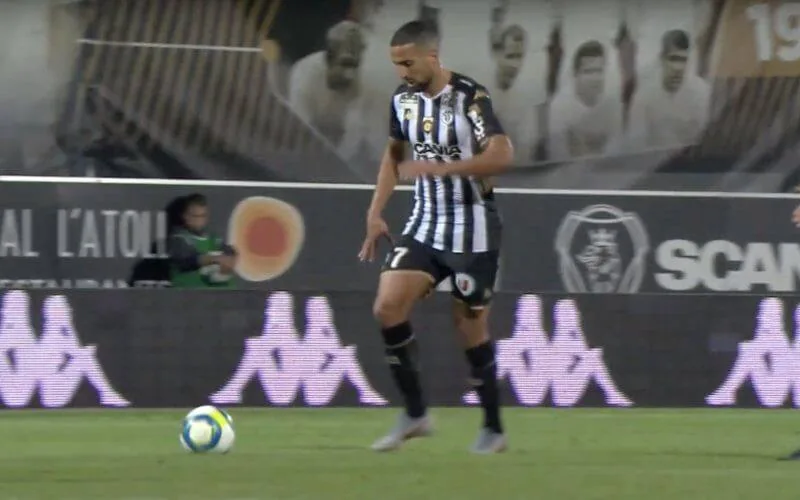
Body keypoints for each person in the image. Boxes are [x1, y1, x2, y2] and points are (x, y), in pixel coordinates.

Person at [357, 20, 514, 454]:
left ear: (432, 56)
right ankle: (415, 414)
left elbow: (502, 154)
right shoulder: (403, 100)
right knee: (387, 306)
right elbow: (394, 156)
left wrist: (441, 168)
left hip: (473, 226)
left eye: (408, 63)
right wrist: (375, 212)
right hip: (425, 223)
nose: (402, 72)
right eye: (396, 64)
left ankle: (493, 428)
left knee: (470, 326)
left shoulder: (470, 97)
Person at [626, 29, 711, 151]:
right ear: (661, 58)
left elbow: (704, 139)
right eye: (673, 59)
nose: (678, 68)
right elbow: (636, 144)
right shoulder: (644, 96)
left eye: (683, 60)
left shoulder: (701, 92)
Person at [167, 194, 238, 288]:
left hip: (222, 293)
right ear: (185, 216)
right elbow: (186, 261)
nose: (199, 220)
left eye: (203, 216)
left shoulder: (214, 238)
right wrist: (214, 259)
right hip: (189, 293)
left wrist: (229, 261)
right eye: (195, 216)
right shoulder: (178, 238)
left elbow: (230, 253)